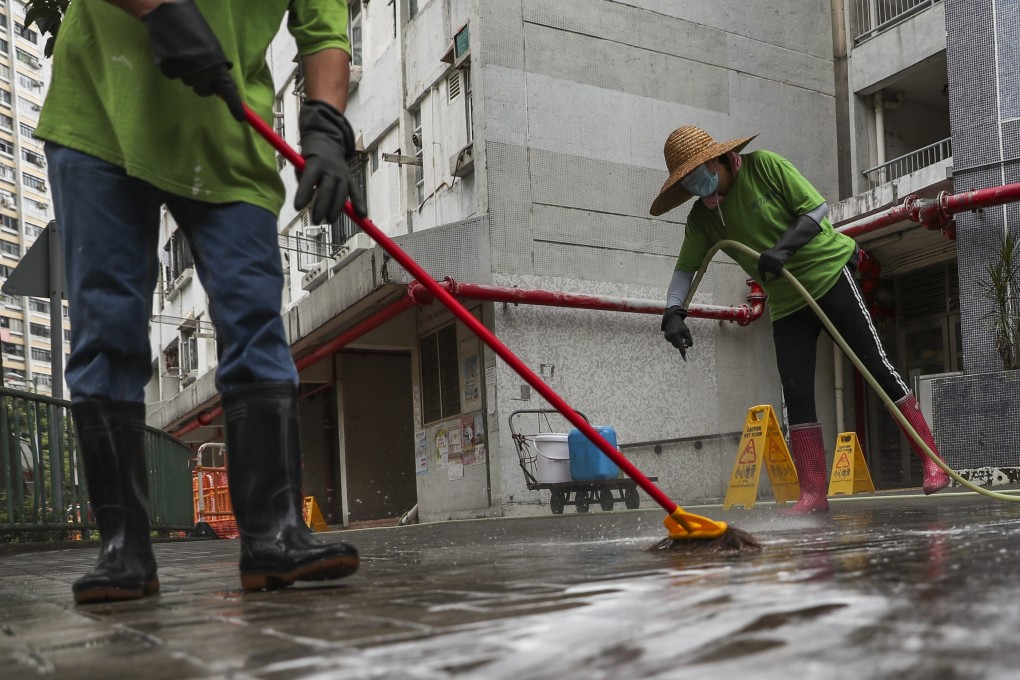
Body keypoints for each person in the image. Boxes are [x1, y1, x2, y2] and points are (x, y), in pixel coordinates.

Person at [37, 0, 367, 603]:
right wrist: (157, 9)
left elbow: (323, 25)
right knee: (107, 330)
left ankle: (273, 539)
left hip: (226, 131)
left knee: (254, 316)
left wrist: (325, 127)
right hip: (103, 109)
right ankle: (123, 552)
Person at [649, 125, 950, 514]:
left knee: (875, 366)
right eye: (688, 183)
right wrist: (673, 311)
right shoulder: (703, 219)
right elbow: (686, 270)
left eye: (697, 175)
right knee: (797, 392)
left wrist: (783, 249)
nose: (697, 186)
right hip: (787, 303)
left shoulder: (765, 167)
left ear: (717, 159)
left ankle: (931, 461)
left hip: (828, 276)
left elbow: (816, 209)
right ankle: (812, 493)